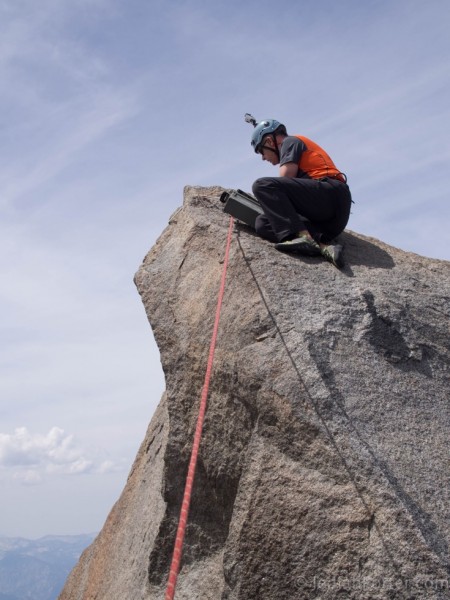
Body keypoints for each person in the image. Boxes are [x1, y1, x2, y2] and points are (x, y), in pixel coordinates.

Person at [245, 114, 352, 268]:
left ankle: (304, 238)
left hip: (330, 194)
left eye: (261, 151)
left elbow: (285, 178)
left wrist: (271, 202)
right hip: (329, 224)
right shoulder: (291, 144)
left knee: (262, 185)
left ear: (269, 141)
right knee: (262, 223)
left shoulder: (291, 141)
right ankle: (322, 245)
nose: (263, 158)